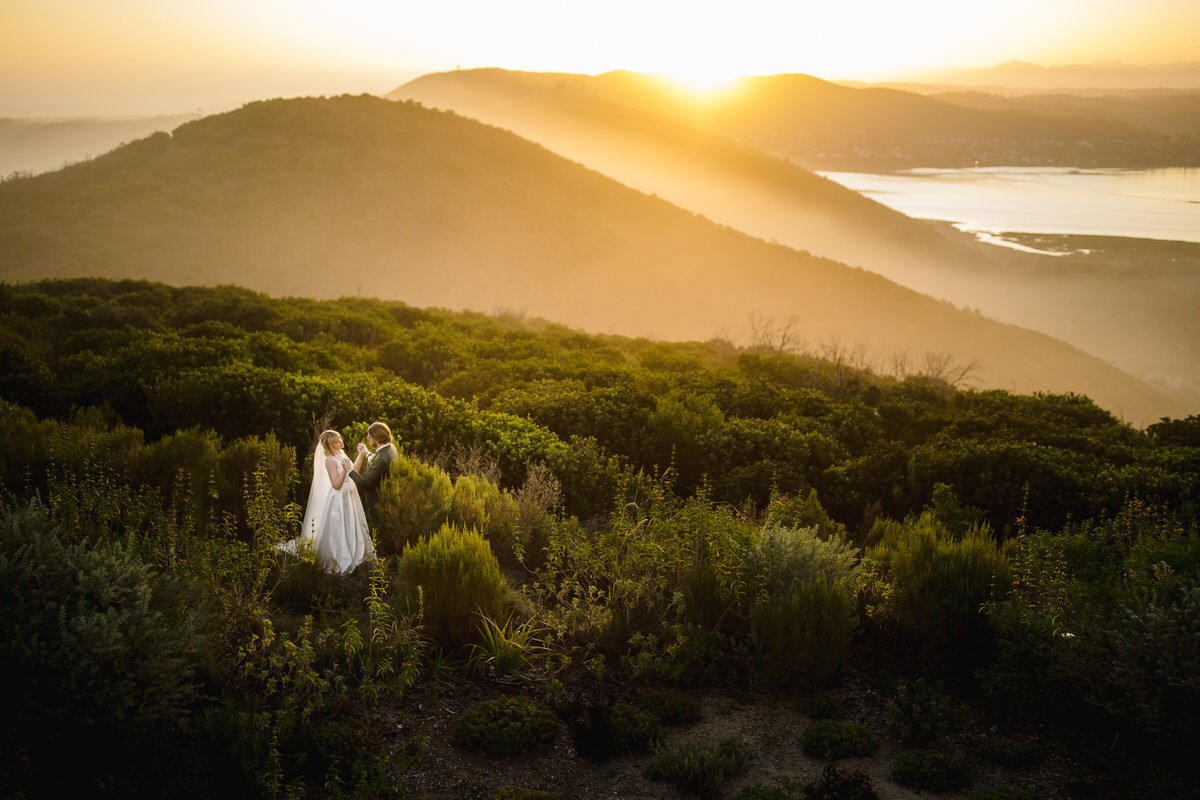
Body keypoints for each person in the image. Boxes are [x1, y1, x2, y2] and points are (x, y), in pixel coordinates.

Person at [280, 429, 375, 574]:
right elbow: (336, 485)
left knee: (352, 525)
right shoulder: (329, 460)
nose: (341, 442)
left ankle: (355, 551)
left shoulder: (341, 454)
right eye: (337, 441)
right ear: (330, 445)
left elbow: (353, 470)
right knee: (340, 527)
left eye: (340, 439)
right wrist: (343, 470)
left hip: (350, 496)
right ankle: (339, 556)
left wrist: (361, 455)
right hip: (339, 499)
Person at [349, 421, 396, 528]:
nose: (369, 440)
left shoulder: (380, 459)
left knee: (377, 532)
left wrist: (349, 470)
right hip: (388, 498)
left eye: (370, 437)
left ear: (376, 438)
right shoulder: (390, 448)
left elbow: (366, 484)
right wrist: (367, 453)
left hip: (377, 504)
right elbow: (379, 462)